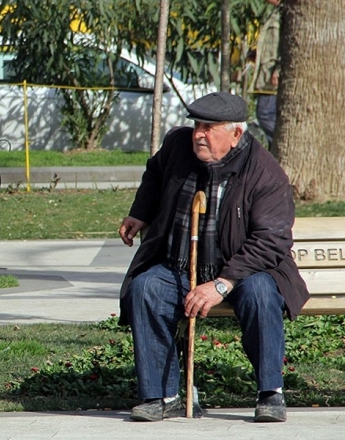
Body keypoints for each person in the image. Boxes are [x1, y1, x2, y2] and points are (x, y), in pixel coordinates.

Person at [118, 92, 308, 423]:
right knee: (146, 289)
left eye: (209, 127)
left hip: (246, 270)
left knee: (262, 295)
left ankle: (270, 393)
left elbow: (271, 241)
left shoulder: (265, 172)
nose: (198, 134)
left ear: (236, 134)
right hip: (180, 264)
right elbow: (155, 172)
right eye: (197, 125)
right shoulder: (179, 146)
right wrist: (140, 213)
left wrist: (221, 284)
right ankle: (164, 395)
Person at [254, 0, 281, 146]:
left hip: (271, 77)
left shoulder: (284, 14)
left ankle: (280, 141)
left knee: (264, 114)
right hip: (264, 74)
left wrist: (278, 70)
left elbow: (288, 45)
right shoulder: (271, 12)